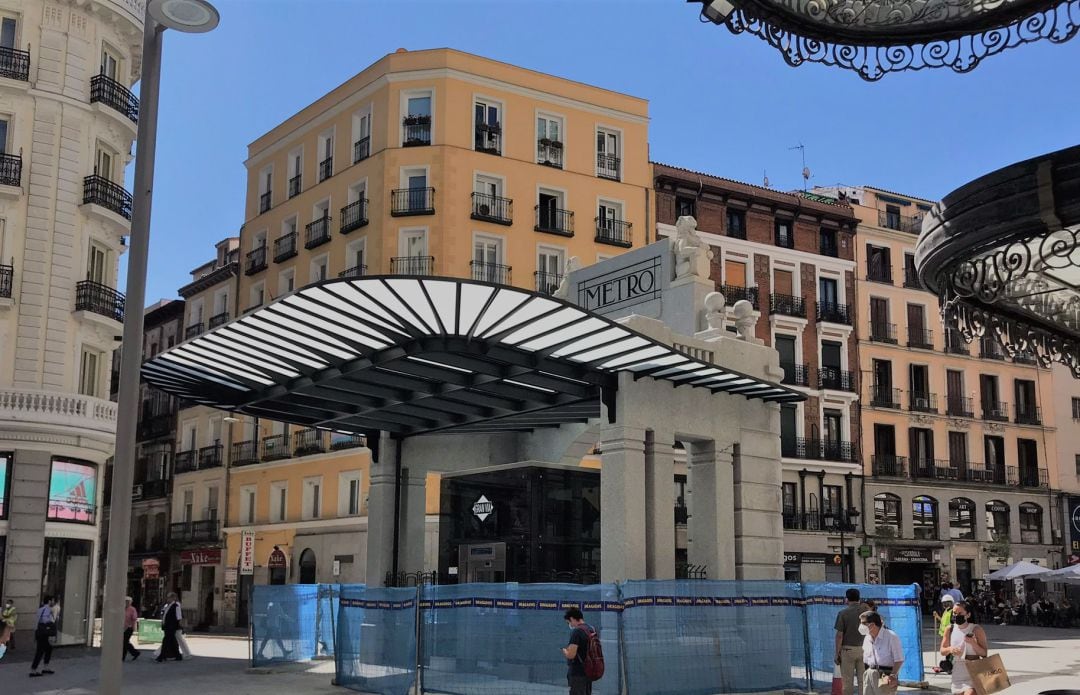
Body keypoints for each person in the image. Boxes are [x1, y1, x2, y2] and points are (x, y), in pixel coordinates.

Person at [939, 601, 988, 695]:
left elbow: (984, 653)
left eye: (960, 613)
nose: (956, 615)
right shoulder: (950, 629)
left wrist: (973, 643)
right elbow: (942, 650)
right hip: (957, 671)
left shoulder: (976, 629)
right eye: (954, 613)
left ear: (968, 614)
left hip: (973, 670)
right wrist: (950, 649)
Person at [834, 588, 869, 695]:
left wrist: (837, 653)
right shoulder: (867, 613)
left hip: (847, 650)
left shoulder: (843, 613)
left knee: (847, 682)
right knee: (863, 681)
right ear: (859, 598)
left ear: (847, 599)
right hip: (865, 649)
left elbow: (839, 635)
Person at [860, 611, 904, 694]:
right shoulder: (867, 637)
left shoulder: (891, 637)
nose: (860, 626)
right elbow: (865, 659)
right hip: (869, 673)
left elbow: (899, 659)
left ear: (872, 624)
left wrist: (893, 676)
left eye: (863, 623)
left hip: (886, 675)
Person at [561, 607, 594, 695]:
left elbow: (571, 655)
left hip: (578, 672)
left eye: (569, 622)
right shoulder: (591, 629)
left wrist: (565, 651)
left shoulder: (577, 632)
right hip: (589, 670)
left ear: (571, 618)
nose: (570, 625)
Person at [29, 595, 57, 678]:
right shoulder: (47, 609)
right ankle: (33, 670)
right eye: (52, 600)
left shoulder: (40, 609)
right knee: (40, 651)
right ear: (49, 601)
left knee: (48, 649)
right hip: (44, 634)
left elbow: (36, 622)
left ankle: (46, 667)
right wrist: (51, 623)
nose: (53, 602)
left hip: (40, 633)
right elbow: (45, 620)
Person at [156, 593, 183, 662]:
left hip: (171, 627)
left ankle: (161, 656)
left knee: (165, 641)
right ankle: (178, 655)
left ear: (173, 598)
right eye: (167, 597)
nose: (168, 599)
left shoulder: (176, 606)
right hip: (167, 626)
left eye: (169, 597)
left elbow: (179, 617)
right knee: (172, 641)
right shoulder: (168, 606)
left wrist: (178, 626)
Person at [932, 594, 955, 674]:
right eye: (944, 603)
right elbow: (943, 621)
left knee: (950, 652)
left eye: (947, 603)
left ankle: (950, 667)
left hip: (950, 635)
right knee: (947, 652)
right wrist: (937, 616)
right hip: (945, 635)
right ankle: (948, 666)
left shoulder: (952, 611)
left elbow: (953, 624)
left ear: (951, 603)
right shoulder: (946, 611)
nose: (945, 605)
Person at [122, 596, 140, 661]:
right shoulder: (122, 608)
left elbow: (134, 618)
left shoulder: (132, 609)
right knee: (125, 642)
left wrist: (134, 627)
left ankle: (122, 657)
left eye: (128, 602)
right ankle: (135, 653)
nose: (126, 603)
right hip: (122, 628)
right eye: (125, 601)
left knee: (124, 642)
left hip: (129, 628)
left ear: (130, 602)